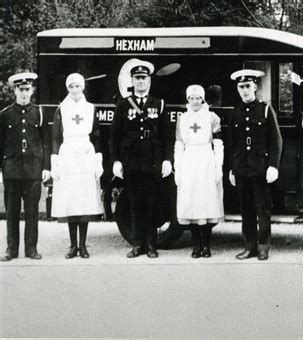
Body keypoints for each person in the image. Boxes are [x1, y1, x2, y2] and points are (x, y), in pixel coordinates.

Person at [110, 59, 174, 258]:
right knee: (135, 203)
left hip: (153, 160)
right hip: (132, 160)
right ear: (132, 81)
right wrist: (117, 161)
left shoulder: (159, 104)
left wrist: (167, 160)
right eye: (137, 78)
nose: (140, 82)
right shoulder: (122, 106)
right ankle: (137, 244)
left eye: (144, 78)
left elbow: (167, 136)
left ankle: (151, 244)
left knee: (153, 203)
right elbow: (115, 136)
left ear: (149, 81)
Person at [227, 69, 283, 261]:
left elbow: (276, 140)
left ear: (255, 87)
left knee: (262, 210)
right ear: (237, 89)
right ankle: (249, 246)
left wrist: (273, 166)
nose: (245, 91)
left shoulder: (265, 110)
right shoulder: (235, 113)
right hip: (241, 168)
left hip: (260, 168)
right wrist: (231, 170)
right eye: (241, 87)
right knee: (246, 211)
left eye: (248, 86)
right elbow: (231, 143)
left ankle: (263, 247)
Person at [51, 73, 103, 259]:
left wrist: (98, 160)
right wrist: (54, 162)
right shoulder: (61, 109)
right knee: (71, 202)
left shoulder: (90, 108)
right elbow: (56, 137)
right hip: (68, 156)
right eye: (71, 87)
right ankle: (73, 245)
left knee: (84, 201)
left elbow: (96, 135)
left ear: (83, 88)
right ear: (68, 89)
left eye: (77, 86)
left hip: (86, 155)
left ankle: (83, 245)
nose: (75, 90)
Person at [0, 72, 51, 261]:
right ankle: (11, 249)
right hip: (12, 170)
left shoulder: (39, 112)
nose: (24, 93)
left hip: (33, 170)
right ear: (14, 90)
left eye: (27, 90)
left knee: (32, 212)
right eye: (20, 90)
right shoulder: (5, 115)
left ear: (32, 91)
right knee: (12, 213)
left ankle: (31, 249)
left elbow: (46, 142)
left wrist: (46, 167)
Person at [175, 85, 224, 258]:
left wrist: (218, 166)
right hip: (189, 161)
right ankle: (196, 245)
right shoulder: (182, 119)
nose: (195, 102)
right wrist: (178, 169)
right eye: (191, 98)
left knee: (207, 204)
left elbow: (218, 144)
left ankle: (206, 245)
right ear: (187, 100)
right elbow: (179, 145)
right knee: (192, 205)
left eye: (198, 98)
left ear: (203, 99)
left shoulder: (212, 118)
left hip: (206, 161)